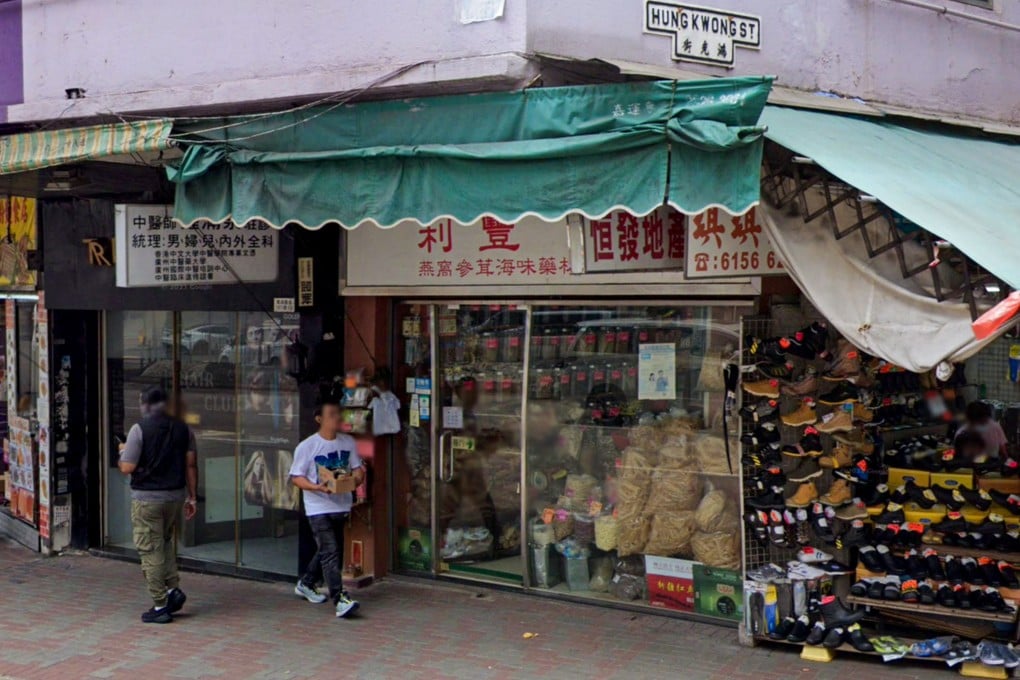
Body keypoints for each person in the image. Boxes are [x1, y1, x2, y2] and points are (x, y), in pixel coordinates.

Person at [117, 387, 198, 624]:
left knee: (150, 550)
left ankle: (160, 604)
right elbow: (191, 465)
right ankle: (173, 590)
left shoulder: (138, 429)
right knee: (164, 544)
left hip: (147, 500)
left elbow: (127, 467)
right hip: (175, 497)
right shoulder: (184, 428)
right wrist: (192, 497)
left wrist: (121, 452)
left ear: (146, 405)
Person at [290, 400, 365, 618]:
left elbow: (358, 469)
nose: (337, 418)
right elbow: (296, 477)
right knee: (331, 551)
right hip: (317, 507)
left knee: (329, 550)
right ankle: (340, 598)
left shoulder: (347, 442)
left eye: (338, 414)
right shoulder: (307, 446)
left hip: (341, 504)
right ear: (319, 419)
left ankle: (306, 582)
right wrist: (316, 487)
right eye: (331, 414)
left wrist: (357, 479)